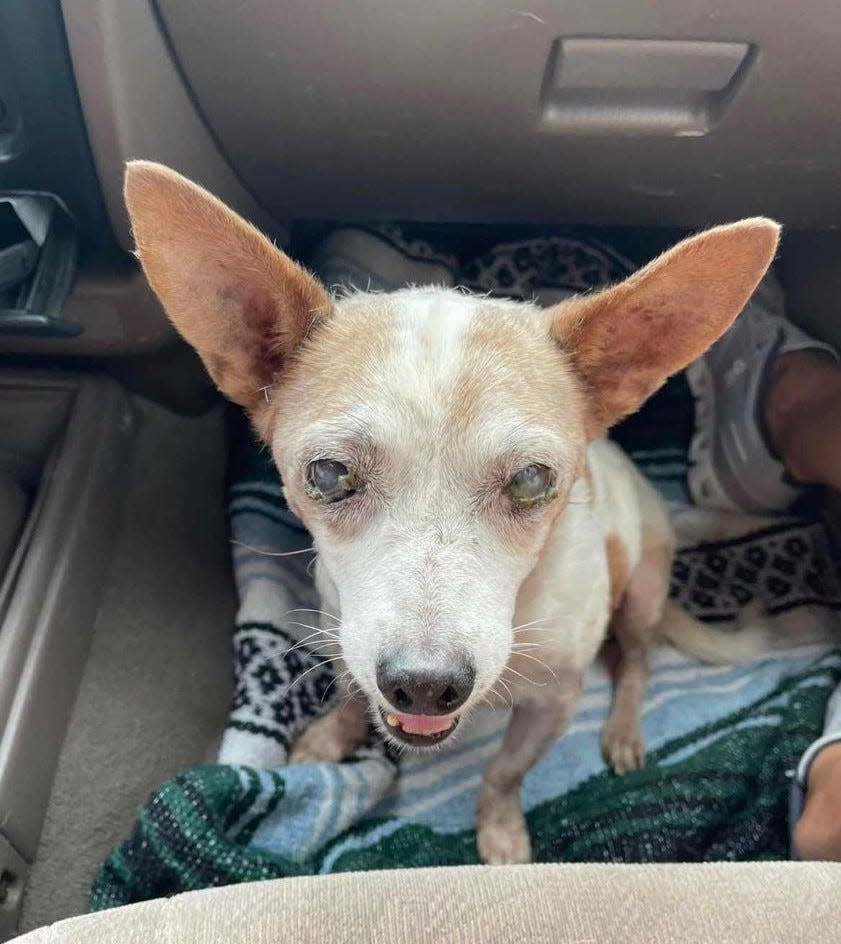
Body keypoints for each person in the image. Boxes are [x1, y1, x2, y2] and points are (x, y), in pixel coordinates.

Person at [310, 225, 841, 860]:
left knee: (633, 611)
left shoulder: (568, 610)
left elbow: (552, 700)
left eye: (527, 480)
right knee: (357, 649)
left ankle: (634, 669)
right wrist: (352, 707)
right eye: (335, 476)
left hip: (613, 563)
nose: (425, 671)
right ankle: (347, 716)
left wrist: (503, 793)